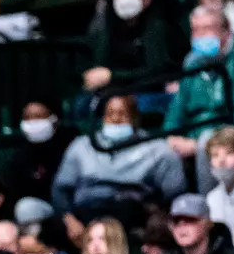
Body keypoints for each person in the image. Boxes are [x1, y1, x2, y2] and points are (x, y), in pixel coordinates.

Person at [165, 7, 234, 179]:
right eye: (195, 30)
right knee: (162, 151)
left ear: (226, 31)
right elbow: (176, 112)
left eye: (207, 29)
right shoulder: (193, 63)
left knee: (207, 145)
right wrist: (172, 136)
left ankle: (209, 204)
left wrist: (198, 142)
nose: (201, 35)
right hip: (196, 137)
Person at [53, 96, 188, 229]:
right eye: (110, 114)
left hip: (134, 212)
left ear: (135, 117)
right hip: (88, 211)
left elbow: (175, 192)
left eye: (122, 114)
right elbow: (60, 189)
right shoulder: (82, 145)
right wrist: (70, 221)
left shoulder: (157, 148)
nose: (115, 119)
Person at [83, 0, 189, 96]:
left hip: (147, 92)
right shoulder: (108, 22)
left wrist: (113, 76)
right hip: (112, 91)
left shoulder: (159, 26)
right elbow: (99, 59)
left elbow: (156, 71)